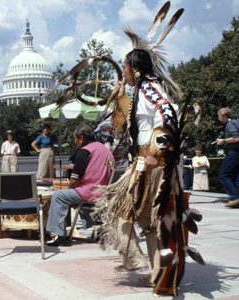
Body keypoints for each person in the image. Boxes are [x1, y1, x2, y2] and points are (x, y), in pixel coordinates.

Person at [93, 4, 203, 294]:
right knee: (143, 220)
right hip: (142, 163)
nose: (124, 71)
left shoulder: (149, 87)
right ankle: (154, 270)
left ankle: (147, 266)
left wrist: (158, 152)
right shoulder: (140, 89)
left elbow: (168, 112)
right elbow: (134, 121)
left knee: (142, 218)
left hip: (153, 164)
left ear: (136, 68)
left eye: (125, 66)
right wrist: (119, 98)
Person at [46, 124, 114, 246]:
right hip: (105, 193)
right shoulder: (107, 151)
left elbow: (74, 181)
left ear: (81, 138)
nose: (75, 142)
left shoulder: (85, 151)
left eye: (75, 139)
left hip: (89, 193)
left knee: (58, 196)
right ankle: (98, 231)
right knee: (75, 196)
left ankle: (60, 235)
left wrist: (70, 193)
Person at [217, 108, 239, 208]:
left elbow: (236, 138)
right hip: (237, 152)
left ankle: (235, 197)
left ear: (224, 116)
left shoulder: (230, 124)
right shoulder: (236, 122)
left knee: (223, 175)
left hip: (233, 152)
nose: (219, 118)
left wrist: (223, 141)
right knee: (236, 178)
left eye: (219, 116)